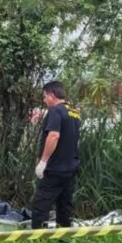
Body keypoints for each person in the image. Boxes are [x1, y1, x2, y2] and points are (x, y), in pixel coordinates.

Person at [31, 80, 81, 230]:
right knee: (64, 206)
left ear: (52, 95)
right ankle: (64, 241)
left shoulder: (56, 111)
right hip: (70, 168)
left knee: (40, 205)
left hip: (55, 169)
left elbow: (53, 136)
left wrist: (43, 162)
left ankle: (38, 241)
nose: (44, 100)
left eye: (45, 96)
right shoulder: (74, 113)